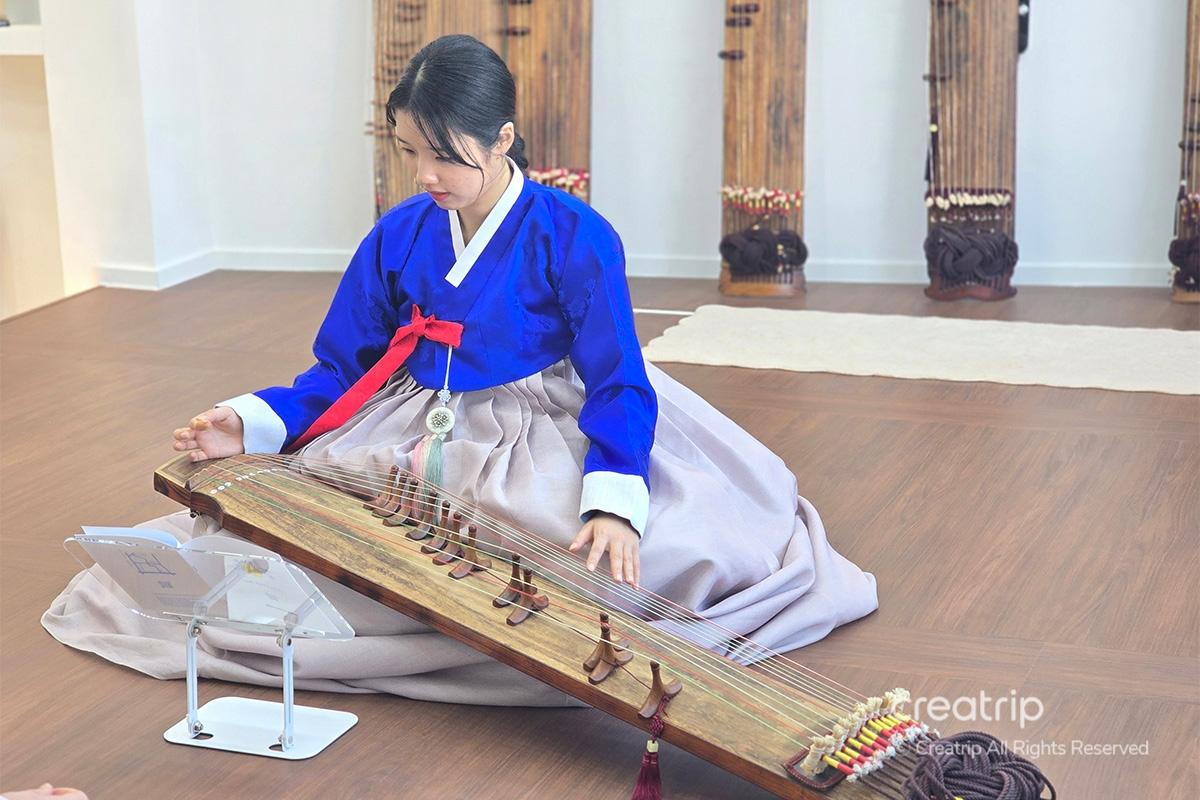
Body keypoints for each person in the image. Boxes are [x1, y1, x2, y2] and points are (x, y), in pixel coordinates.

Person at [44, 34, 877, 706]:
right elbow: (344, 368)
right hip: (408, 419)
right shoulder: (398, 234)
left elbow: (617, 375)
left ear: (503, 139)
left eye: (445, 155)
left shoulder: (573, 234)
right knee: (306, 535)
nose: (425, 176)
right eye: (410, 151)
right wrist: (253, 421)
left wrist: (615, 500)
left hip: (537, 423)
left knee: (639, 557)